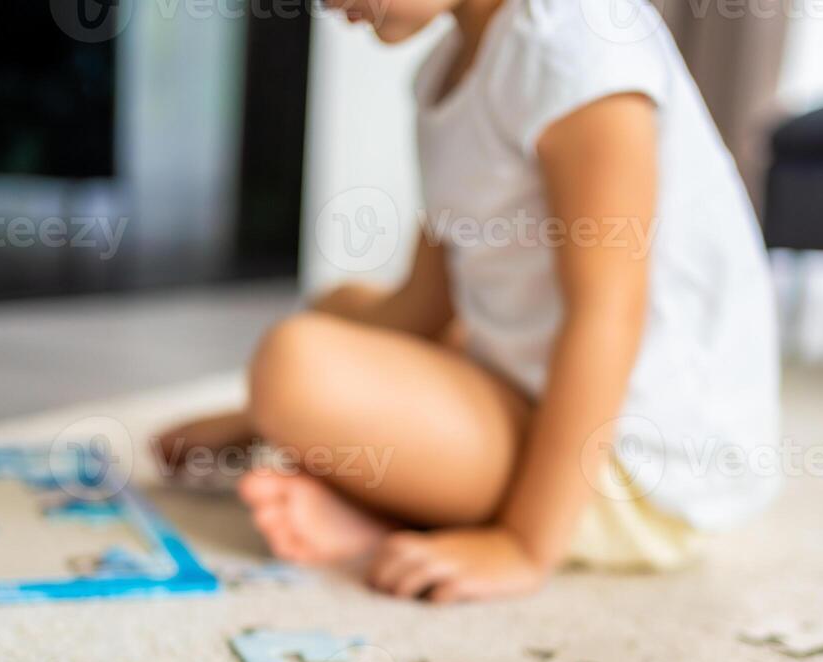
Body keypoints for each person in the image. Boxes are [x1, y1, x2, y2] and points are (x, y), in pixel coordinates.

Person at [155, 0, 780, 602]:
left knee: (294, 363)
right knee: (333, 311)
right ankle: (377, 498)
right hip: (533, 385)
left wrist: (521, 546)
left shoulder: (581, 41)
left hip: (637, 464)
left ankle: (411, 518)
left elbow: (609, 314)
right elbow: (426, 309)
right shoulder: (441, 78)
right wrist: (254, 417)